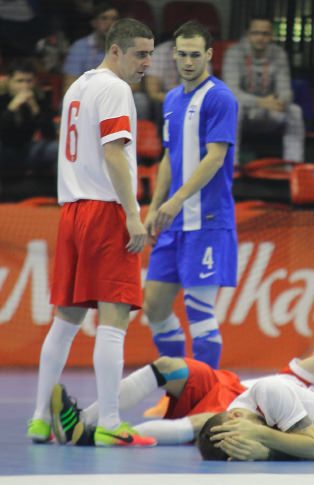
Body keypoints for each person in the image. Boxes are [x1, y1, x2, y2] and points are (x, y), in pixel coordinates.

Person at [25, 18, 155, 447]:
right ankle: (111, 423)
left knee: (66, 321)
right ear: (115, 51)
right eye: (139, 53)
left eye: (151, 54)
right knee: (114, 318)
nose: (147, 63)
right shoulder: (116, 88)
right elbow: (114, 152)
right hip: (105, 211)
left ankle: (40, 418)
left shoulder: (77, 86)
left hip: (72, 211)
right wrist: (133, 214)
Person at [143, 20, 238, 389]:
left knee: (199, 311)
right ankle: (179, 388)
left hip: (207, 219)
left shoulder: (219, 97)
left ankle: (206, 393)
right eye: (181, 54)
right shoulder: (170, 99)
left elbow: (215, 157)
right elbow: (169, 157)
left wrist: (178, 199)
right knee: (154, 306)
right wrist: (155, 206)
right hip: (175, 221)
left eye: (194, 55)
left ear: (209, 55)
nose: (187, 61)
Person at [48, 346, 314, 446]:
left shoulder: (312, 416)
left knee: (209, 422)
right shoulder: (295, 383)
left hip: (234, 409)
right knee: (167, 365)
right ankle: (86, 420)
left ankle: (97, 435)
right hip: (220, 383)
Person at [222, 15, 305, 162]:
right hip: (245, 111)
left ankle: (293, 163)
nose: (260, 38)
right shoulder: (234, 53)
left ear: (271, 35)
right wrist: (260, 102)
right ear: (247, 34)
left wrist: (281, 101)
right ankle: (231, 164)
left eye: (265, 34)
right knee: (233, 107)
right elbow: (231, 92)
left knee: (295, 111)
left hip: (269, 110)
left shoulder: (279, 54)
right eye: (255, 33)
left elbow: (285, 89)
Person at [63, 2, 150, 119]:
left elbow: (135, 85)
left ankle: (135, 136)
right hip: (87, 97)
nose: (109, 23)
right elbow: (70, 85)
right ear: (94, 23)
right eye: (104, 18)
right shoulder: (79, 47)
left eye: (114, 19)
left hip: (118, 95)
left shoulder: (129, 47)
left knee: (140, 100)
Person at [0, 59, 58, 174]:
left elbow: (49, 134)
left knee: (56, 149)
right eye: (19, 81)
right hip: (4, 150)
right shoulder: (2, 98)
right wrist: (12, 108)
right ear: (9, 81)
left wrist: (35, 109)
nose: (25, 86)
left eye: (29, 81)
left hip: (28, 149)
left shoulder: (39, 99)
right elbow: (4, 134)